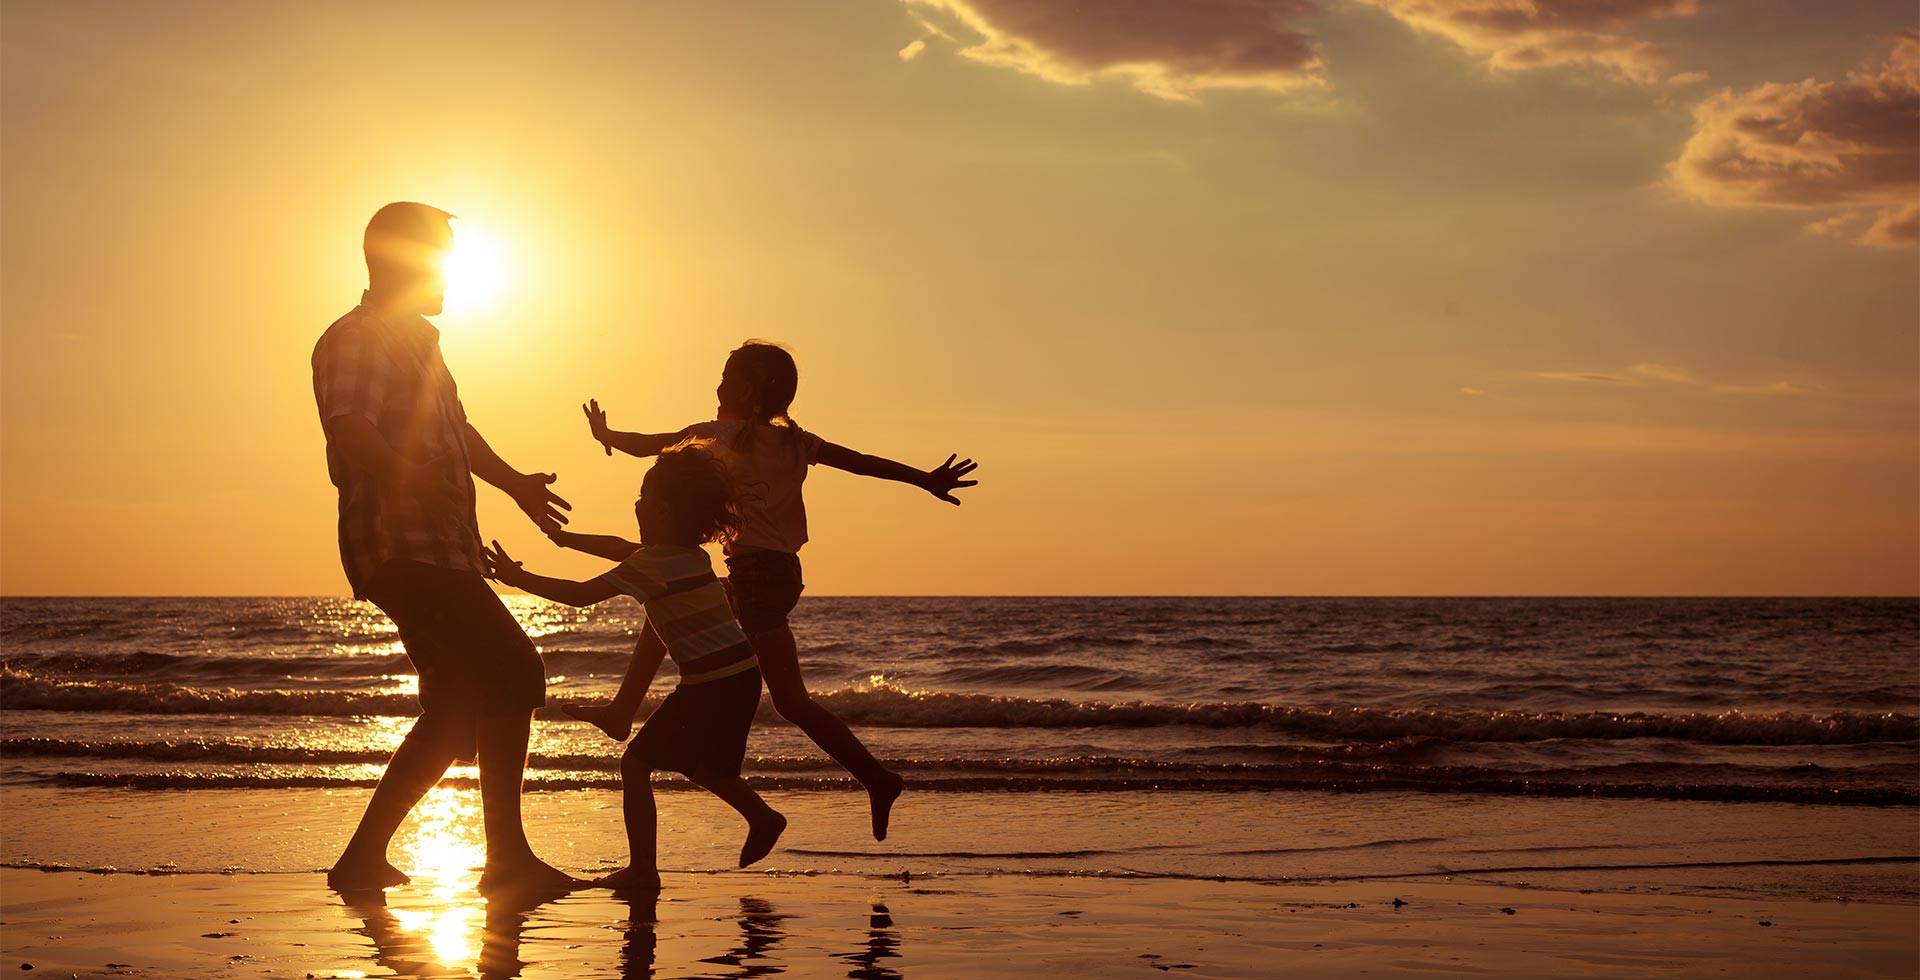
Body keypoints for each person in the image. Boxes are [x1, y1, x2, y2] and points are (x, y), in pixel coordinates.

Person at [549, 340, 978, 840]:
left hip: (755, 577)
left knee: (677, 603)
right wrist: (923, 479)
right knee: (783, 694)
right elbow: (862, 462)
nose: (716, 385)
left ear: (746, 390)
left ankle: (628, 712)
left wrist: (605, 434)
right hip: (781, 574)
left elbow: (654, 444)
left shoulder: (719, 436)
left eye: (726, 377)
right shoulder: (798, 443)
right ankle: (877, 779)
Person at [312, 201, 576, 894]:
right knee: (516, 671)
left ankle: (362, 858)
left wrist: (515, 482)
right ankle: (507, 860)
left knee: (456, 712)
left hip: (440, 550)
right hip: (404, 549)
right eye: (443, 261)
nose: (453, 278)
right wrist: (414, 475)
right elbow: (350, 432)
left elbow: (458, 431)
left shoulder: (418, 344)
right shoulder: (359, 337)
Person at [483, 444, 787, 892]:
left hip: (709, 685)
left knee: (636, 765)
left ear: (661, 510)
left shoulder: (651, 564)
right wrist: (566, 539)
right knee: (705, 768)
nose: (636, 505)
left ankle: (644, 870)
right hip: (740, 677)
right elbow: (619, 548)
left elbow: (580, 594)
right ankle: (762, 817)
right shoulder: (687, 556)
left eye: (642, 499)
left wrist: (518, 578)